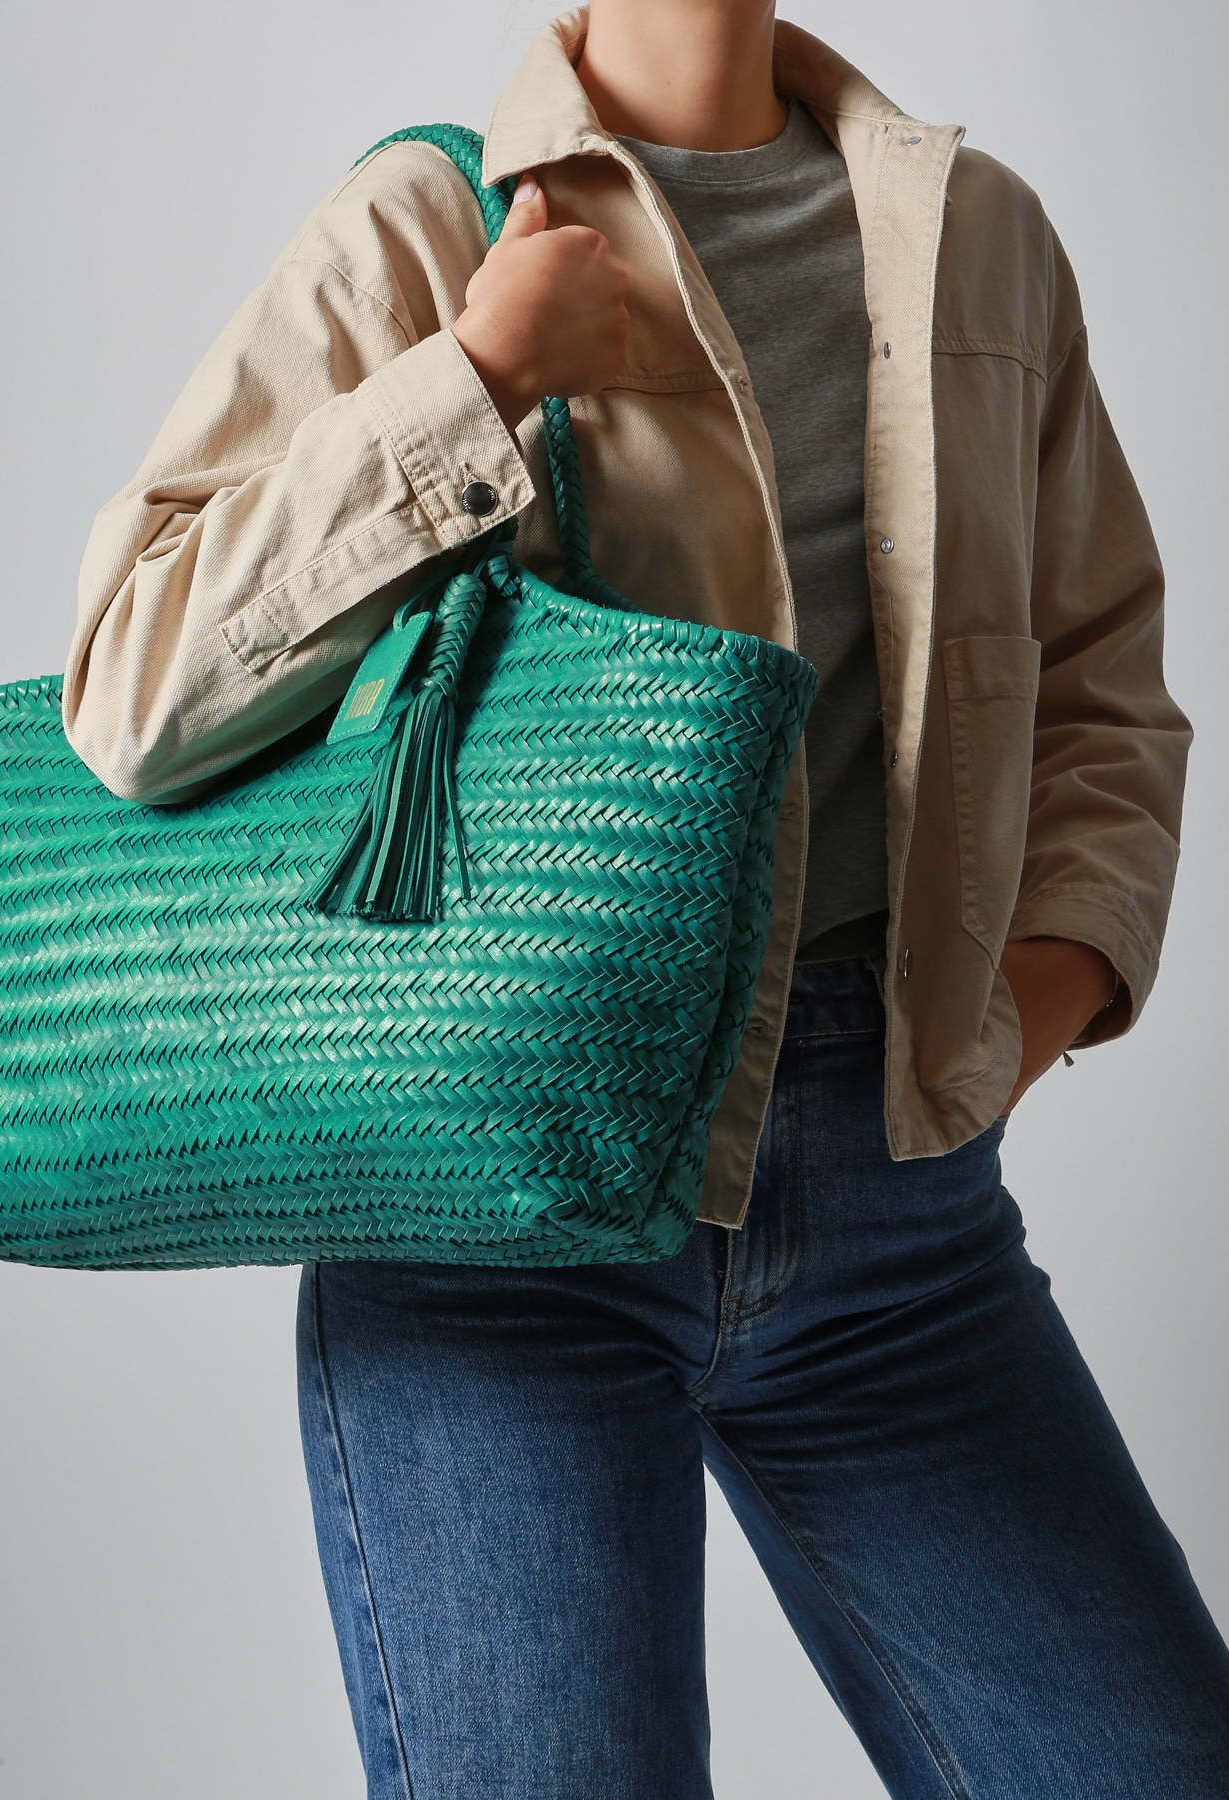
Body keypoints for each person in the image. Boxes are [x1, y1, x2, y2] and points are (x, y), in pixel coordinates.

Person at [64, 2, 1229, 1793]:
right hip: (499, 1231)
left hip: (902, 1217)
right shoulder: (426, 222)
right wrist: (474, 375)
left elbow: (1095, 682)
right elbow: (132, 691)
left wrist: (1027, 1011)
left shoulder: (972, 231)